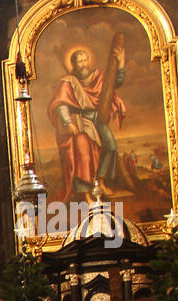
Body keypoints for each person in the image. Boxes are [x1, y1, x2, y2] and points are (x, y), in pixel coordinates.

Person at [48, 41, 127, 202]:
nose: (83, 64)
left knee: (111, 146)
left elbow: (115, 83)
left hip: (97, 119)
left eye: (85, 60)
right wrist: (68, 122)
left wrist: (121, 63)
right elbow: (61, 104)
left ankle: (102, 181)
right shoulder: (69, 81)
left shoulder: (98, 77)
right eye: (79, 61)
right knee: (83, 156)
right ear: (74, 64)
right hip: (80, 122)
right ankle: (86, 193)